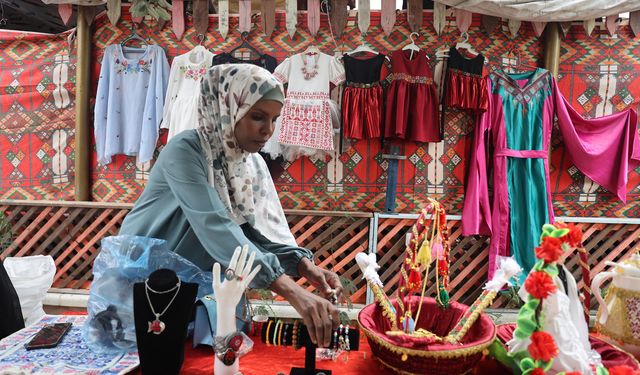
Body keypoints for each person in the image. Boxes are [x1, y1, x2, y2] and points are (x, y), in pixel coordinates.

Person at [120, 64, 342, 348]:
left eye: (275, 119)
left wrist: (302, 265)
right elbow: (215, 226)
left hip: (192, 286)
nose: (268, 130)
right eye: (258, 117)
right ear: (226, 107)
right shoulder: (186, 150)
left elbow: (247, 233)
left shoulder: (246, 163)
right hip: (147, 283)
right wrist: (292, 291)